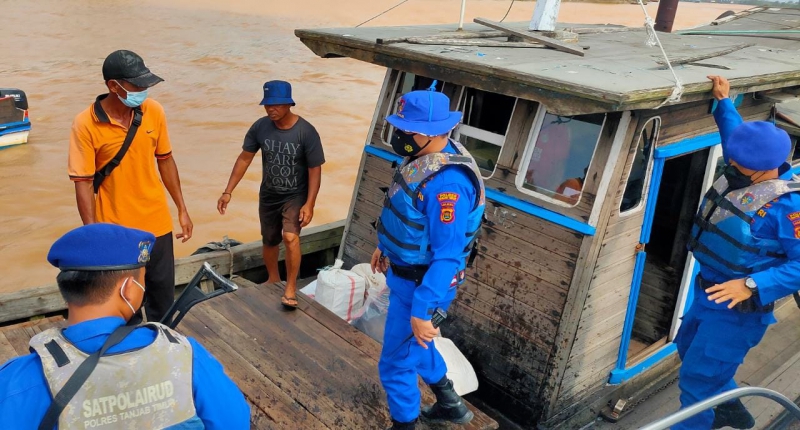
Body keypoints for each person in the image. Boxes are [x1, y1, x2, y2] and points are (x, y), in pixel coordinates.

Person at [0, 223, 250, 429]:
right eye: (142, 279)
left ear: (67, 289)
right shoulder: (185, 356)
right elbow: (235, 422)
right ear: (129, 289)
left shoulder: (19, 379)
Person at [673, 75, 800, 430]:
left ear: (765, 166)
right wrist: (724, 101)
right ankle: (732, 411)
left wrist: (753, 285)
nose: (731, 159)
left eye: (739, 159)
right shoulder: (746, 164)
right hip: (707, 290)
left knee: (697, 382)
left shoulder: (788, 208)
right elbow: (734, 134)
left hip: (738, 310)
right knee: (688, 350)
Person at [370, 84, 485, 430]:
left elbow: (448, 256)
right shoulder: (425, 158)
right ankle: (451, 403)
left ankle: (405, 425)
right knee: (413, 346)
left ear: (434, 132)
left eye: (408, 130)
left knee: (394, 364)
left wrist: (423, 311)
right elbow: (410, 220)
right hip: (407, 277)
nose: (401, 134)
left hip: (424, 288)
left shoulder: (447, 187)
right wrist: (385, 247)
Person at [68, 50, 193, 323]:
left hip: (157, 224)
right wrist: (92, 234)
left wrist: (182, 209)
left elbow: (166, 161)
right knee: (124, 306)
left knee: (163, 301)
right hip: (116, 230)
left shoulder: (154, 111)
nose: (144, 90)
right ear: (114, 86)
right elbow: (83, 183)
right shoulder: (85, 124)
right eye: (138, 85)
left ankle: (163, 348)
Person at [217, 80, 324, 310]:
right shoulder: (260, 128)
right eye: (267, 105)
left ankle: (291, 286)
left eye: (275, 105)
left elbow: (315, 169)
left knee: (290, 237)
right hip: (269, 194)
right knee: (269, 240)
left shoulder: (306, 131)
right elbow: (245, 158)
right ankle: (273, 278)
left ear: (288, 104)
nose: (270, 109)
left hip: (295, 195)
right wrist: (228, 191)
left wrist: (310, 203)